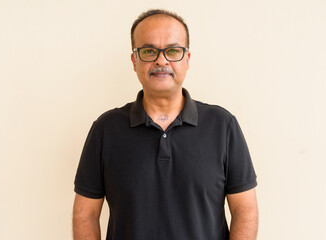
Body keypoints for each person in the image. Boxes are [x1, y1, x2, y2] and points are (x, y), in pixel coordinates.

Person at [72, 9, 258, 240]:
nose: (161, 60)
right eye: (149, 51)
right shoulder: (105, 129)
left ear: (187, 59)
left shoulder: (223, 126)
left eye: (172, 51)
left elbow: (245, 210)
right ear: (134, 60)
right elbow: (85, 213)